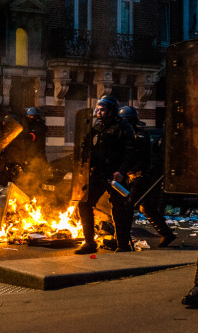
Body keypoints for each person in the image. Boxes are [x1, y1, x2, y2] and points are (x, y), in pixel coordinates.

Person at [75, 95, 136, 254]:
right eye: (98, 109)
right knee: (84, 203)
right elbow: (88, 148)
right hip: (99, 173)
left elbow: (130, 153)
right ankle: (89, 243)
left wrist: (122, 171)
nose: (99, 112)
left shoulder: (124, 127)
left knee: (119, 208)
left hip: (116, 175)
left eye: (102, 110)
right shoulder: (97, 127)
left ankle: (123, 245)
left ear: (111, 111)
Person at [118, 106, 176, 247]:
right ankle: (167, 234)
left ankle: (122, 240)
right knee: (147, 207)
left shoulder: (140, 136)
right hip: (132, 176)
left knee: (128, 206)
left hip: (140, 176)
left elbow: (135, 156)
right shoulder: (128, 134)